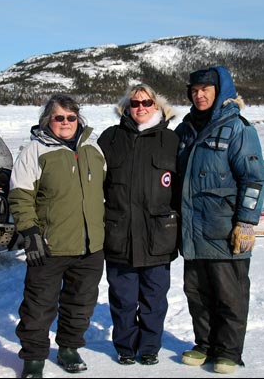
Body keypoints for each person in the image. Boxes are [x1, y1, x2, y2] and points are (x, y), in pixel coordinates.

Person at [174, 66, 264, 374]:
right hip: (193, 229)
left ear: (220, 91)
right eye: (194, 90)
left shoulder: (237, 128)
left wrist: (246, 222)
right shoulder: (185, 129)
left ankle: (228, 350)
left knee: (230, 295)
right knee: (197, 293)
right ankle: (205, 344)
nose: (199, 95)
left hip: (225, 228)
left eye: (206, 89)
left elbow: (253, 179)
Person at [9, 94, 106, 378]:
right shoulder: (35, 151)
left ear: (79, 119)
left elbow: (104, 190)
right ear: (47, 120)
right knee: (38, 306)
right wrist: (30, 232)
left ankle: (68, 348)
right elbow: (20, 197)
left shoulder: (93, 148)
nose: (65, 123)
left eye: (71, 117)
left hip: (90, 246)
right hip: (49, 246)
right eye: (59, 117)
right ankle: (34, 358)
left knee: (81, 303)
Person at [97, 84, 179, 366]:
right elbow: (96, 186)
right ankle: (125, 346)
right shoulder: (110, 138)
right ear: (126, 107)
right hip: (120, 233)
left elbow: (179, 190)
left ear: (156, 105)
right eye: (135, 103)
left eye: (146, 102)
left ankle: (149, 346)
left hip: (158, 235)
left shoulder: (171, 140)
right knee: (122, 298)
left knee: (154, 299)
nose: (141, 107)